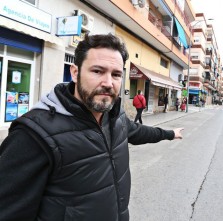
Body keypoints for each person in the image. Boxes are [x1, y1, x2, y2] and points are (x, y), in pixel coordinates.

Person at [0, 33, 184, 221]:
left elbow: (139, 132)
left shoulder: (115, 116)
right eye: (97, 71)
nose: (108, 83)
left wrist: (170, 134)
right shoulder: (34, 134)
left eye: (116, 74)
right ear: (75, 72)